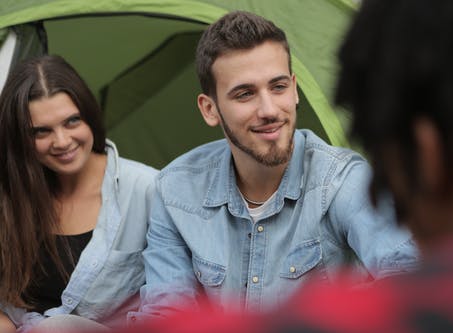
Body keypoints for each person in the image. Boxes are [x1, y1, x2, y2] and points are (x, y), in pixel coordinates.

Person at [128, 11, 418, 325]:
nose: (268, 110)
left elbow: (407, 279)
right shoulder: (175, 190)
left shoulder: (340, 179)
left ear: (294, 90)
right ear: (210, 109)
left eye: (278, 87)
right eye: (245, 94)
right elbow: (166, 315)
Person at [0, 55, 158, 332]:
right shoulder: (11, 196)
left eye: (72, 121)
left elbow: (175, 299)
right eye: (41, 131)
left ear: (90, 116)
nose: (62, 141)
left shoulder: (148, 189)